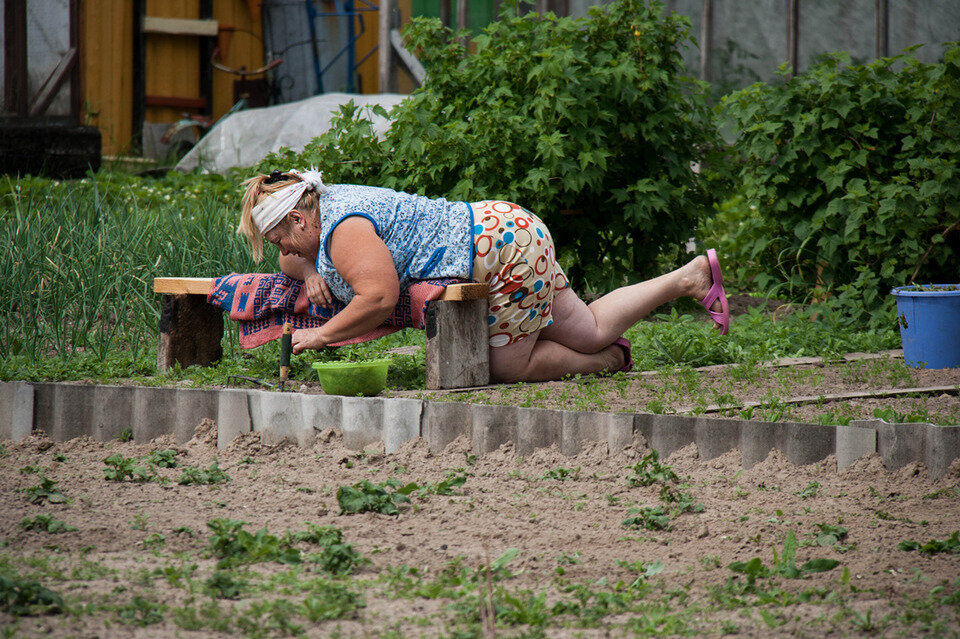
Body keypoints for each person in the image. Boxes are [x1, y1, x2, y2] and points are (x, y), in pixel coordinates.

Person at [237, 168, 729, 383]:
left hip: (500, 256)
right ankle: (688, 278)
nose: (280, 252)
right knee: (590, 330)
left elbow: (379, 298)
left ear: (299, 219)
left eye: (281, 239)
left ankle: (604, 363)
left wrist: (322, 335)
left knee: (500, 369)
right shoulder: (326, 212)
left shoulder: (343, 231)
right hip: (509, 232)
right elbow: (291, 259)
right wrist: (305, 267)